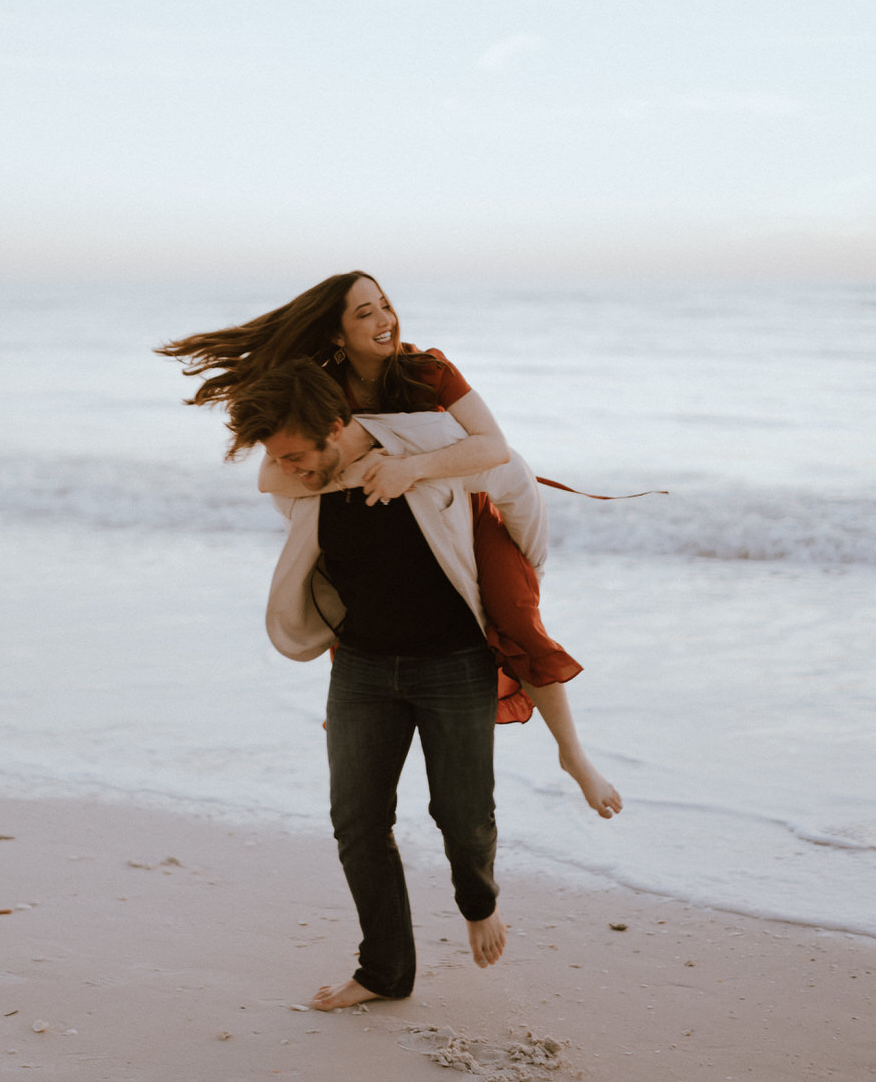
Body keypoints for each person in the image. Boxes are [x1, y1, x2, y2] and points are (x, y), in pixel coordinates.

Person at [221, 358, 620, 1010]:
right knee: (356, 822)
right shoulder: (300, 481)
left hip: (451, 662)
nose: (286, 471)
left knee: (461, 818)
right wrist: (297, 455)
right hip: (362, 668)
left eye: (296, 454)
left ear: (333, 424)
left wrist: (518, 581)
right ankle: (383, 970)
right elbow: (274, 474)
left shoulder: (426, 452)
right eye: (280, 460)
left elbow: (516, 482)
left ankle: (478, 900)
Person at [157, 271, 621, 817]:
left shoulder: (428, 370)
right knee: (355, 618)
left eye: (385, 305)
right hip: (380, 522)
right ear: (336, 335)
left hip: (460, 507)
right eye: (365, 314)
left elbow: (493, 448)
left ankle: (572, 754)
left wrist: (410, 467)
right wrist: (367, 465)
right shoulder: (322, 388)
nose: (385, 321)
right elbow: (280, 475)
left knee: (517, 615)